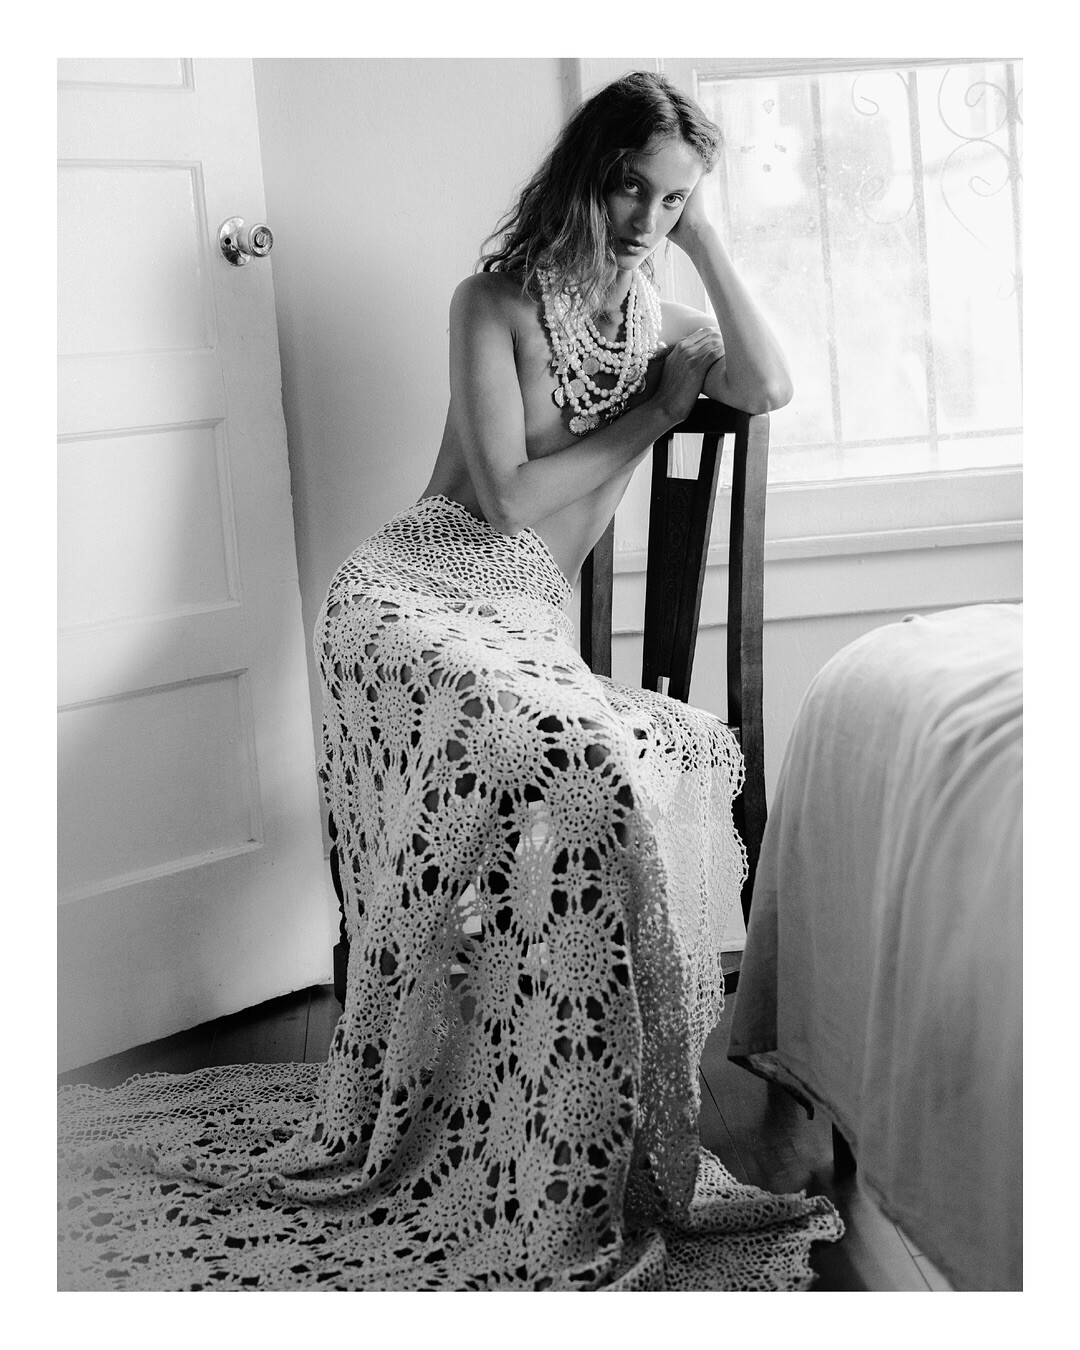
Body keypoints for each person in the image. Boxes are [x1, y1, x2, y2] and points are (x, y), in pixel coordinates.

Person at [57, 71, 842, 1291]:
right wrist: (652, 415)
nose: (646, 217)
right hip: (410, 594)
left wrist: (708, 242)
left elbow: (772, 385)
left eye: (673, 199)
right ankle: (489, 1085)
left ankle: (562, 1104)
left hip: (520, 619)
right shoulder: (491, 302)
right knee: (554, 753)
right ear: (584, 174)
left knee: (592, 765)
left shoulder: (667, 317)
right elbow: (512, 499)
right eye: (631, 186)